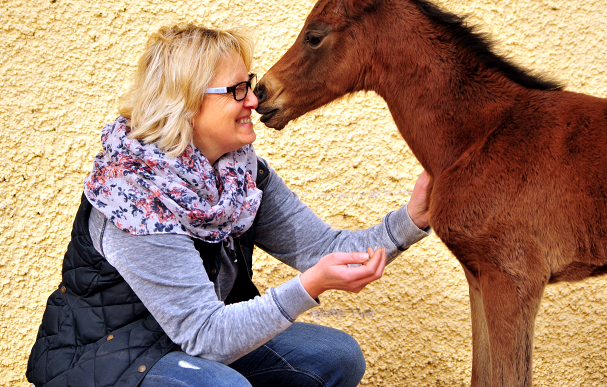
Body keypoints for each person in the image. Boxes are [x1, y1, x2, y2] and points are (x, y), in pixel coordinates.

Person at [27, 24, 431, 387]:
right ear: (184, 102)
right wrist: (309, 287)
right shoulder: (133, 195)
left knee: (335, 356)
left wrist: (412, 220)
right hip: (109, 359)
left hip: (192, 340)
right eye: (236, 90)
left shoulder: (241, 175)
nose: (252, 100)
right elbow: (206, 335)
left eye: (249, 84)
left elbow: (323, 250)